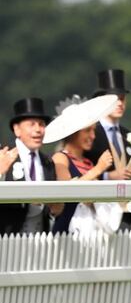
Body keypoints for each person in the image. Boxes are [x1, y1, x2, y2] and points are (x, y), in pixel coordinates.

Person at [46, 96, 121, 234]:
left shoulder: (87, 162)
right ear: (73, 133)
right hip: (66, 233)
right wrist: (98, 169)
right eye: (87, 130)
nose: (93, 136)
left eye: (93, 130)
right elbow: (65, 193)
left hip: (89, 233)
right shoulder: (61, 158)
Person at [0, 98, 63, 234]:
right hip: (7, 238)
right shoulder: (3, 156)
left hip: (40, 239)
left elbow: (53, 209)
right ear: (17, 129)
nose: (38, 130)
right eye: (32, 124)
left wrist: (55, 208)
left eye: (41, 124)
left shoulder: (47, 162)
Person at [84, 69, 131, 181]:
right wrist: (108, 176)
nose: (120, 103)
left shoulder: (129, 135)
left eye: (122, 99)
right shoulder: (90, 133)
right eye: (114, 99)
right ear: (101, 101)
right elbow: (82, 169)